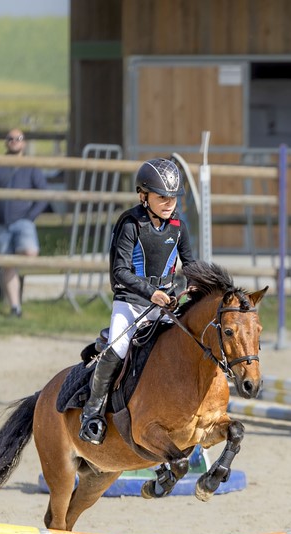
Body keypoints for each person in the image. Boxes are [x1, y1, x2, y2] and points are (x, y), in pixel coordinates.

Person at [78, 157, 194, 446]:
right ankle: (91, 414)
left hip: (165, 305)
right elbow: (119, 272)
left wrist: (193, 287)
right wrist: (150, 293)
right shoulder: (131, 224)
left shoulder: (179, 225)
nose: (169, 202)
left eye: (173, 196)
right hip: (131, 302)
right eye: (162, 197)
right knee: (117, 349)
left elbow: (191, 265)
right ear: (144, 196)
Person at [0, 128, 47, 318]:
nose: (14, 141)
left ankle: (9, 251)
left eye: (18, 138)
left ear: (24, 143)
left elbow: (43, 195)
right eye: (10, 139)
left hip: (23, 221)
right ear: (5, 142)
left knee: (30, 252)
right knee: (8, 265)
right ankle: (15, 307)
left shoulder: (31, 166)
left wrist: (30, 216)